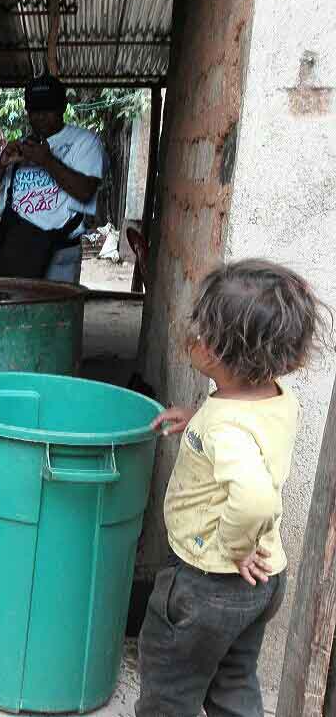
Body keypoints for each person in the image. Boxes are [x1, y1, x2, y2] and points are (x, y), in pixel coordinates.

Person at [137, 259, 331, 716]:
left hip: (208, 581)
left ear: (216, 352)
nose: (191, 334)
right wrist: (197, 419)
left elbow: (255, 496)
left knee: (169, 683)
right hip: (263, 584)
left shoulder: (226, 432)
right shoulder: (273, 399)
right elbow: (244, 434)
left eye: (200, 329)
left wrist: (235, 545)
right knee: (233, 679)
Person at [0, 74, 106, 283]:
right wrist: (1, 164)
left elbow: (85, 192)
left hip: (59, 254)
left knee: (55, 314)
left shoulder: (85, 143)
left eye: (48, 109)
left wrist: (47, 161)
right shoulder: (20, 147)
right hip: (17, 249)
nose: (41, 116)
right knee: (11, 311)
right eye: (35, 110)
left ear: (63, 108)